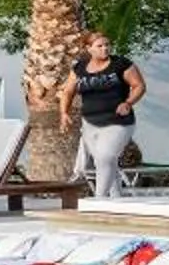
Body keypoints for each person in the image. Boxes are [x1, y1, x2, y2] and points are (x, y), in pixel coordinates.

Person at [58, 28, 145, 196]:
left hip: (118, 121)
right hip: (90, 123)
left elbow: (139, 85)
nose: (105, 49)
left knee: (104, 157)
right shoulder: (80, 68)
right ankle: (117, 199)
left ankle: (99, 199)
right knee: (107, 161)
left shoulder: (121, 64)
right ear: (88, 48)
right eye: (99, 46)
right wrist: (64, 113)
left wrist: (128, 102)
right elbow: (68, 92)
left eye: (107, 45)